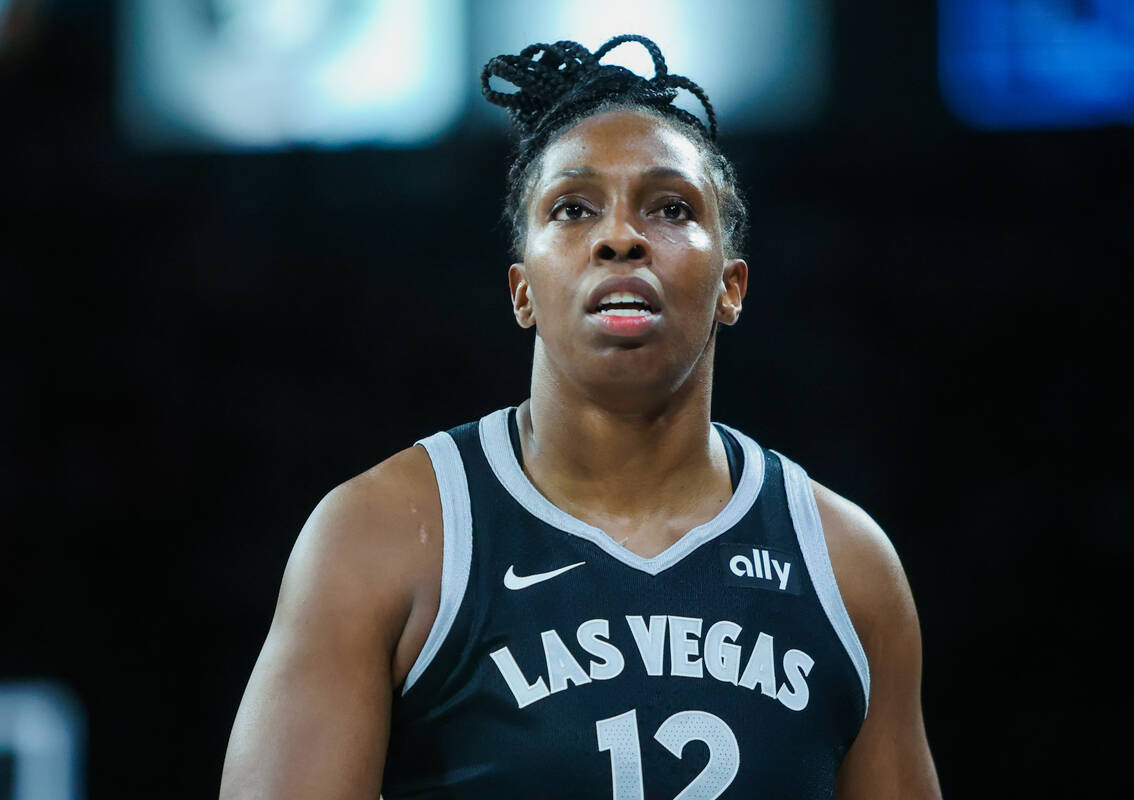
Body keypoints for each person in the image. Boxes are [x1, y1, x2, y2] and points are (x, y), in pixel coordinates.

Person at [219, 34, 941, 799]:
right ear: (521, 289)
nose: (621, 236)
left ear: (732, 287)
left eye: (669, 208)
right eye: (572, 207)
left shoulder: (848, 568)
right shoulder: (380, 537)